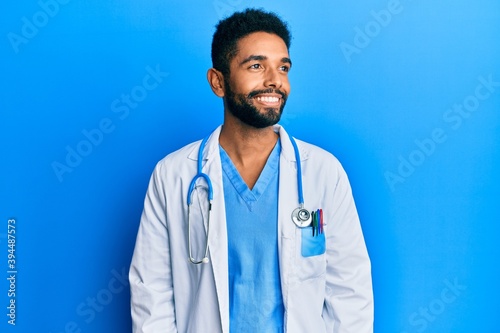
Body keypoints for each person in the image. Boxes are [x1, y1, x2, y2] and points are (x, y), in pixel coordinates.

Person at [129, 8, 373, 333]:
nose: (274, 80)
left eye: (282, 67)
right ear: (218, 82)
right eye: (257, 66)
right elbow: (152, 295)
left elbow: (349, 291)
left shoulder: (323, 173)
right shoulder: (173, 175)